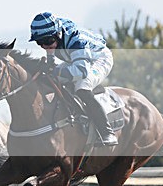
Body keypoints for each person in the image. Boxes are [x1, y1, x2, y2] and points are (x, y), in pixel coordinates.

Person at [29, 11, 117, 146]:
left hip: (98, 58)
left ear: (58, 34)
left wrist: (54, 70)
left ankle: (107, 132)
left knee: (82, 88)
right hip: (77, 59)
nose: (45, 46)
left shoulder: (76, 40)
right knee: (51, 79)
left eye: (48, 41)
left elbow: (81, 71)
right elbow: (52, 65)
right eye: (40, 42)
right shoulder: (53, 36)